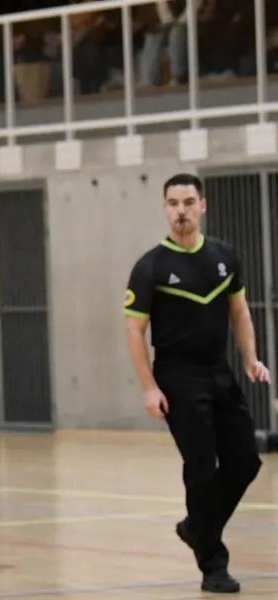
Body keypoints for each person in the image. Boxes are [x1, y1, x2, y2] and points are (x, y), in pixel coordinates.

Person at [124, 173, 269, 594]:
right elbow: (134, 332)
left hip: (218, 371)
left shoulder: (224, 256)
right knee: (202, 470)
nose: (181, 210)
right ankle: (213, 565)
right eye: (173, 203)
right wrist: (149, 387)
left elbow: (239, 312)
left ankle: (196, 527)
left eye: (189, 201)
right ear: (164, 208)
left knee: (246, 460)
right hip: (177, 377)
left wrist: (250, 358)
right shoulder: (149, 267)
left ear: (202, 206)